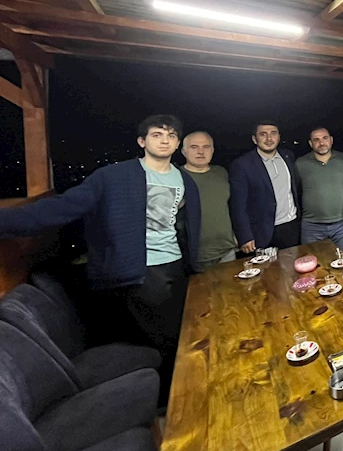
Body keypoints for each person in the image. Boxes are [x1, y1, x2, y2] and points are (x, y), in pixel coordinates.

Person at [0, 114, 200, 408]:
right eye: (157, 134)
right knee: (168, 340)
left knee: (185, 331)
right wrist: (6, 221)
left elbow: (184, 226)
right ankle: (174, 404)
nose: (164, 140)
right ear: (142, 141)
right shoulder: (113, 177)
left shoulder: (184, 180)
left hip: (176, 264)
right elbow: (64, 206)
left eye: (171, 135)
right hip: (140, 270)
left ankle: (181, 395)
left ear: (178, 143)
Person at [229, 121, 301, 252]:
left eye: (273, 133)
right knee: (267, 265)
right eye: (263, 134)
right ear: (254, 139)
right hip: (261, 231)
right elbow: (238, 205)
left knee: (292, 263)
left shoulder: (288, 156)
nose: (269, 139)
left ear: (279, 137)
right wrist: (244, 236)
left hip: (290, 226)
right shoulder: (242, 165)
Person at [182, 130, 237, 271]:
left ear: (212, 150)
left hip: (227, 251)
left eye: (206, 147)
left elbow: (232, 207)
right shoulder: (177, 177)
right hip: (195, 257)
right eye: (194, 147)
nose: (201, 152)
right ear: (183, 151)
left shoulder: (221, 172)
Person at [294, 127, 343, 255]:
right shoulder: (300, 163)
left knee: (341, 262)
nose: (321, 143)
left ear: (331, 140)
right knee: (313, 263)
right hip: (311, 226)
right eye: (316, 140)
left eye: (325, 138)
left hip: (341, 224)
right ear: (310, 143)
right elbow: (296, 190)